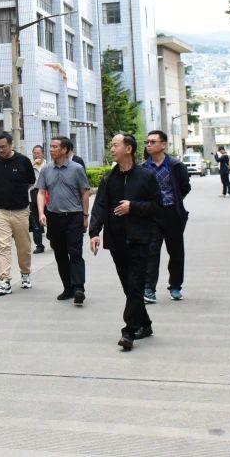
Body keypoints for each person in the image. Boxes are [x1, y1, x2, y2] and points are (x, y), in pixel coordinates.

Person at [89, 132, 162, 351]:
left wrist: (133, 206)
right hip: (117, 241)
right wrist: (94, 232)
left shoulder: (146, 176)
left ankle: (128, 331)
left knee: (135, 285)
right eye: (111, 145)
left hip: (139, 240)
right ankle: (145, 324)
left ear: (128, 149)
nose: (111, 149)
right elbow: (100, 206)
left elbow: (157, 206)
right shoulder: (109, 178)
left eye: (115, 145)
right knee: (130, 288)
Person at [36, 136, 91, 305]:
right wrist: (41, 213)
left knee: (75, 252)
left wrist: (85, 216)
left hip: (74, 216)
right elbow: (41, 192)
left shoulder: (76, 169)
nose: (51, 149)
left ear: (64, 150)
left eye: (55, 147)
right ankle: (68, 288)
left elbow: (85, 192)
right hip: (54, 217)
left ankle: (79, 288)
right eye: (51, 146)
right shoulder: (46, 170)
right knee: (60, 254)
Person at [0, 131, 36, 296]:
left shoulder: (23, 161)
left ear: (11, 145)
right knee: (2, 246)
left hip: (20, 211)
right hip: (0, 211)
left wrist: (16, 192)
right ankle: (5, 281)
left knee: (24, 247)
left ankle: (25, 274)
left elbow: (31, 181)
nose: (0, 150)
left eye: (3, 147)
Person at [142, 130, 191, 304]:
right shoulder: (143, 168)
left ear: (163, 144)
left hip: (172, 213)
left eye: (153, 142)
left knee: (176, 251)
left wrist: (173, 199)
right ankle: (149, 288)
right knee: (151, 251)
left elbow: (185, 187)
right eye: (147, 142)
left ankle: (175, 286)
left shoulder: (176, 166)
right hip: (152, 215)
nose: (149, 145)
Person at [28, 144, 47, 254]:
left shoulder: (48, 166)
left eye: (38, 153)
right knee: (35, 222)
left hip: (47, 195)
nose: (36, 155)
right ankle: (39, 245)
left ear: (43, 154)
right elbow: (24, 178)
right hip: (33, 195)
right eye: (34, 153)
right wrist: (32, 165)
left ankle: (53, 239)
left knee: (51, 220)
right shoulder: (29, 165)